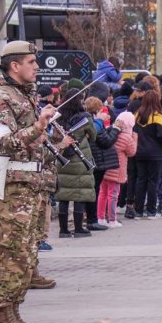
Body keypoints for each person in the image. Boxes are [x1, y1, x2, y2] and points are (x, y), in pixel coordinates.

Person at [0, 40, 72, 323]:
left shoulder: (23, 96)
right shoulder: (0, 98)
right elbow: (4, 142)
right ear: (14, 66)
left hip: (28, 187)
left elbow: (31, 147)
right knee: (9, 253)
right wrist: (38, 126)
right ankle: (3, 319)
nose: (36, 67)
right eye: (31, 62)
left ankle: (14, 314)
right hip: (11, 189)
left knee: (23, 254)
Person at [55, 89, 98, 237]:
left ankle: (63, 230)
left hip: (62, 159)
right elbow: (93, 136)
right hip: (81, 160)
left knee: (63, 195)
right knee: (79, 194)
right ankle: (79, 228)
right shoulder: (84, 117)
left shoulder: (58, 117)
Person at [83, 96, 119, 231]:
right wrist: (115, 129)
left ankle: (91, 218)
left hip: (91, 158)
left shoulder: (87, 120)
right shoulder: (95, 122)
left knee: (96, 189)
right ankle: (92, 219)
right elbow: (105, 141)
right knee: (94, 190)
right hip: (97, 160)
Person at [132, 87, 162, 219]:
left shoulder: (137, 115)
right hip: (155, 153)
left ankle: (138, 210)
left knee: (141, 180)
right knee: (153, 181)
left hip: (139, 152)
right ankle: (152, 211)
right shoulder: (158, 117)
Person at [99, 111, 136, 227]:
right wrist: (134, 137)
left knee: (102, 193)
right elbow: (132, 152)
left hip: (105, 168)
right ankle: (112, 219)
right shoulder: (126, 138)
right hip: (117, 169)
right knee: (113, 195)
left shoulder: (109, 131)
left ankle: (100, 217)